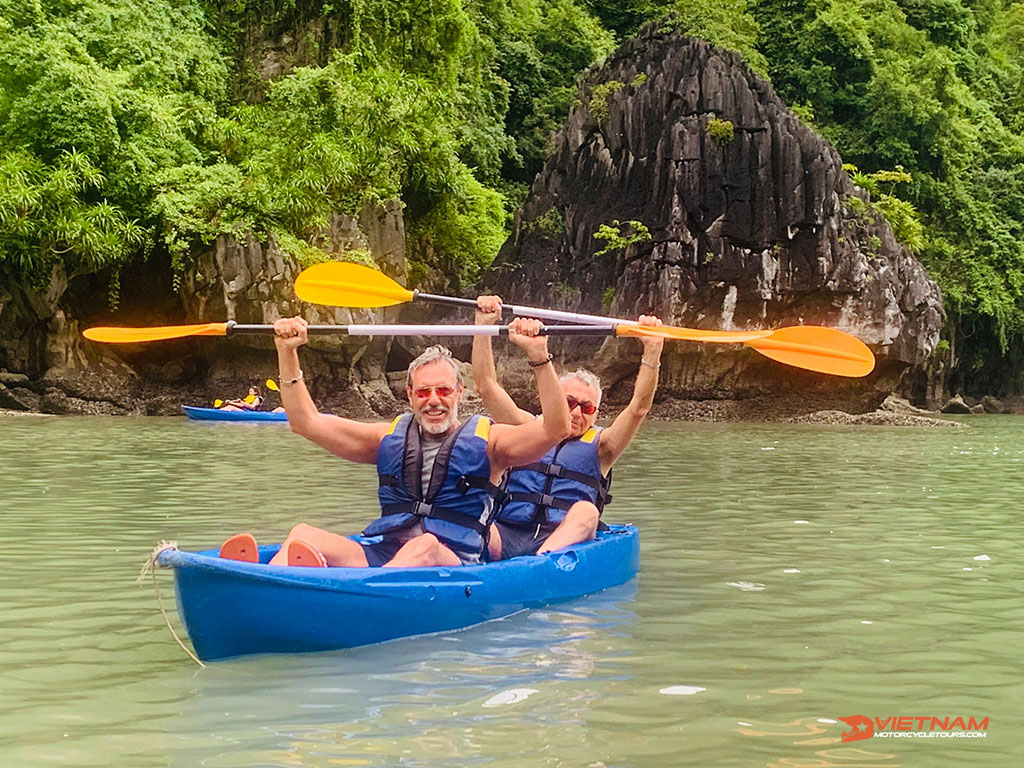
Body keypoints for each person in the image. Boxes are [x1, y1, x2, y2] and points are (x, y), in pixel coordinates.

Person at [218, 314, 571, 568]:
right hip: (386, 553)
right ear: (410, 395)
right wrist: (286, 350)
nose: (434, 399)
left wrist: (538, 355)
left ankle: (357, 600)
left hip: (452, 562)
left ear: (459, 393)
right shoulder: (386, 438)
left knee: (425, 546)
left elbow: (555, 428)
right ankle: (263, 582)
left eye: (444, 390)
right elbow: (305, 423)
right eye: (424, 391)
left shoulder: (493, 445)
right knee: (302, 534)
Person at [472, 295, 664, 560]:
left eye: (586, 407)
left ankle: (540, 564)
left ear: (596, 414)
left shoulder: (603, 447)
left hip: (561, 538)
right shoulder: (527, 427)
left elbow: (638, 408)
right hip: (506, 532)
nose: (575, 412)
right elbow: (486, 387)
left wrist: (652, 351)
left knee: (586, 511)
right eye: (569, 402)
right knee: (472, 514)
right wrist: (483, 326)